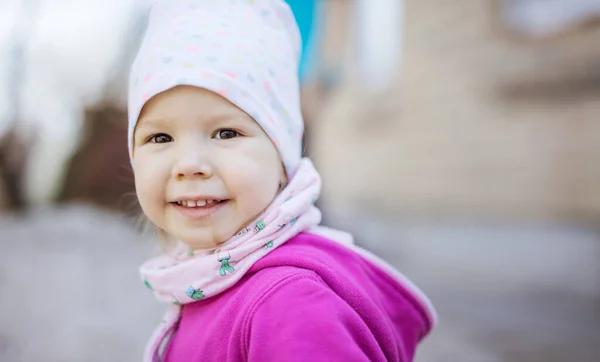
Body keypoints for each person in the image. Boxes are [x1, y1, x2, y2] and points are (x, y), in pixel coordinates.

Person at [128, 1, 437, 361]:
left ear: (282, 161)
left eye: (226, 132)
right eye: (160, 138)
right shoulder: (205, 278)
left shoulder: (290, 303)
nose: (189, 165)